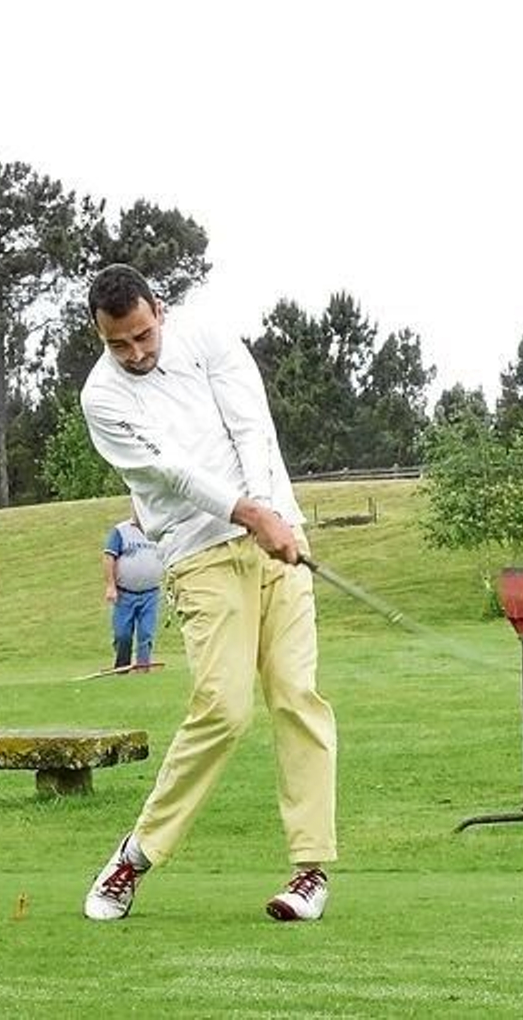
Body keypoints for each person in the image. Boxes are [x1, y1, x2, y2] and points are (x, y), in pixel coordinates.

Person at [77, 263, 336, 924]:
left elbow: (252, 427)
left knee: (297, 695)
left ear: (159, 309)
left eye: (142, 335)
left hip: (277, 535)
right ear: (100, 336)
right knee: (223, 708)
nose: (135, 353)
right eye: (118, 343)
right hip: (198, 553)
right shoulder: (102, 397)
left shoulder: (208, 338)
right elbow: (171, 472)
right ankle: (136, 854)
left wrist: (270, 514)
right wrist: (250, 515)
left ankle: (310, 871)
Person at [102, 512, 164, 670]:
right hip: (125, 593)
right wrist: (110, 586)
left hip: (151, 593)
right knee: (122, 634)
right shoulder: (121, 531)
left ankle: (143, 668)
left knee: (146, 633)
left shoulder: (157, 529)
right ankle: (122, 667)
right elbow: (109, 557)